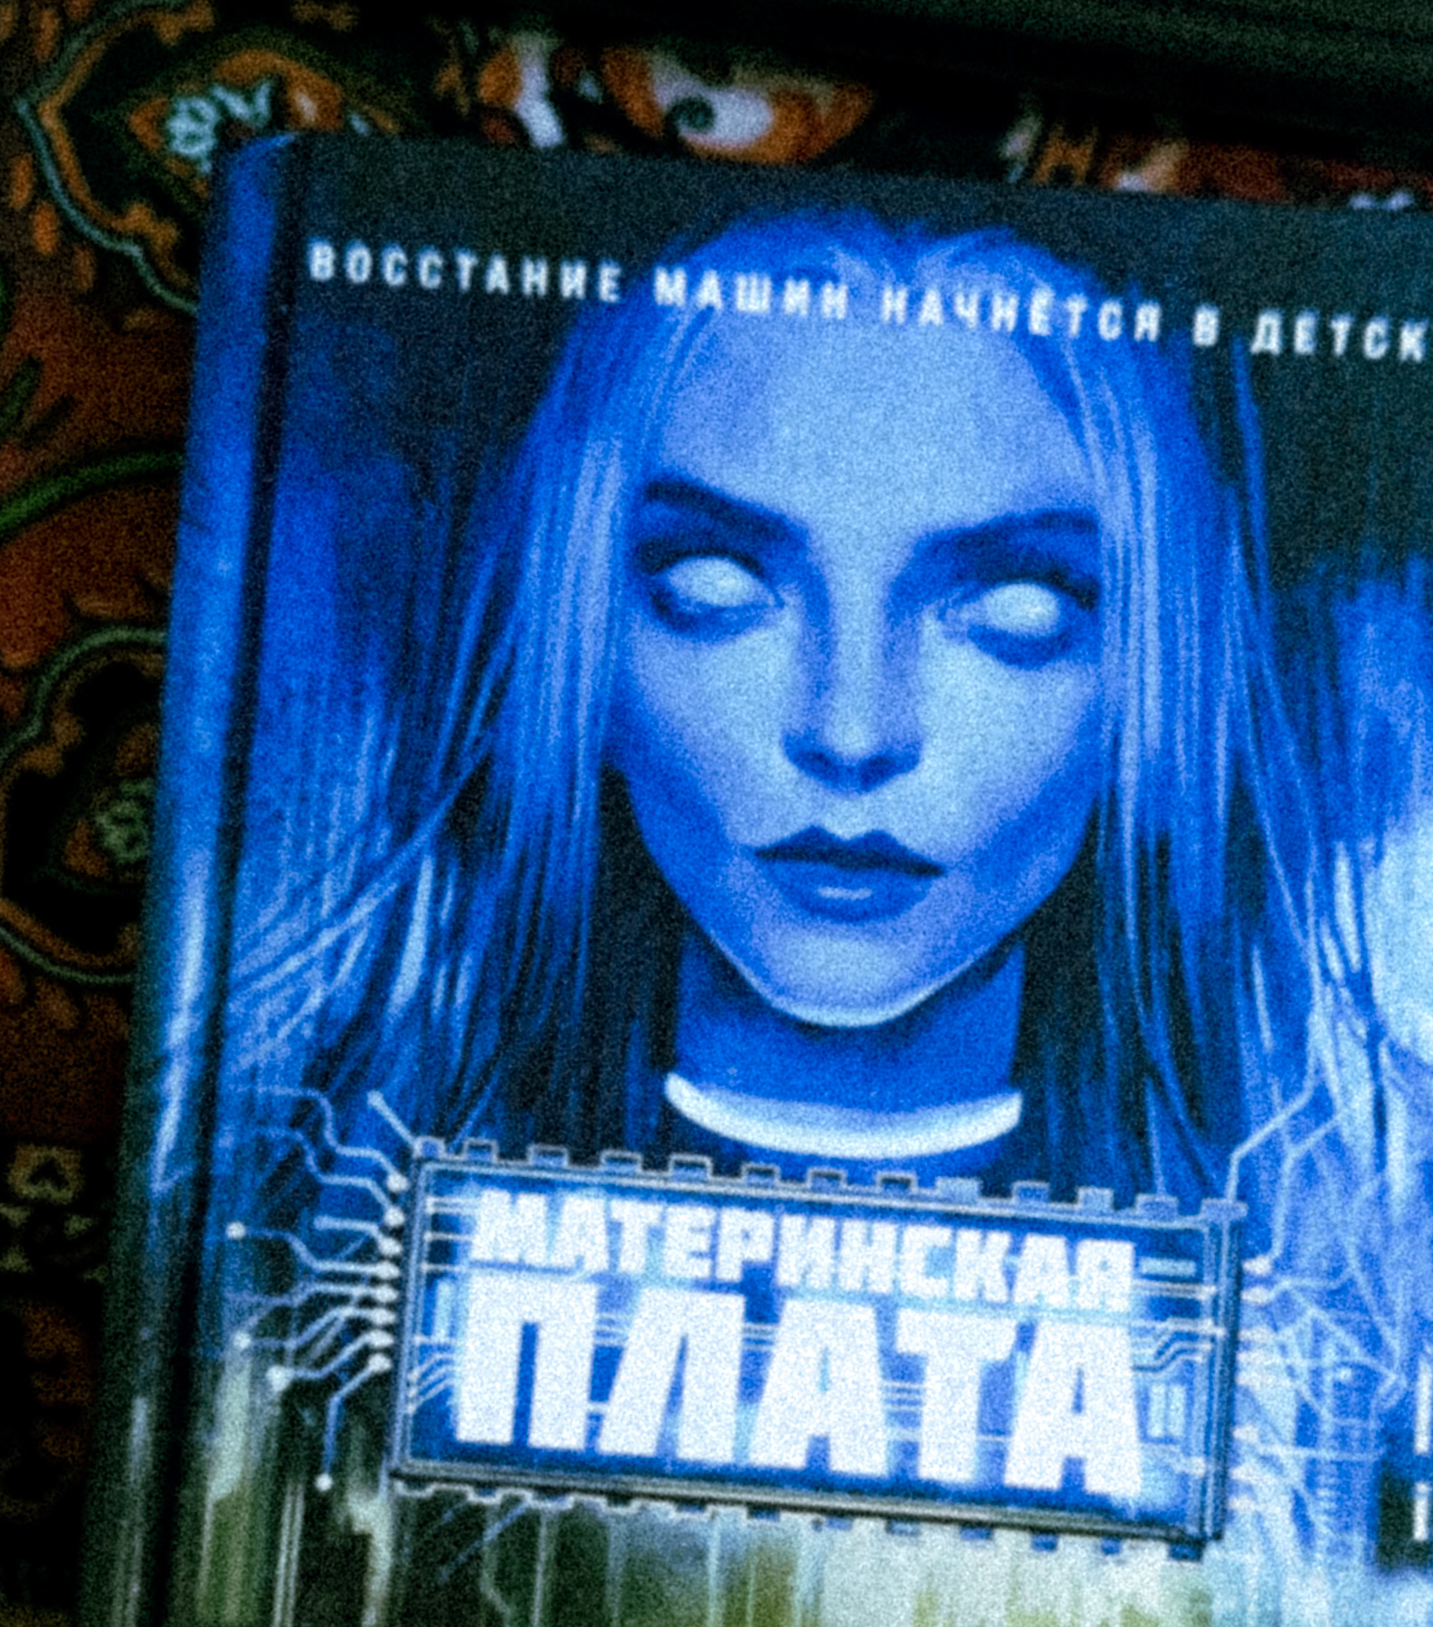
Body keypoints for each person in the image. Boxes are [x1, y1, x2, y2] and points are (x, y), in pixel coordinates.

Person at [313, 204, 1341, 1206]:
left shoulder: (1331, 1247)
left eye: (1015, 611)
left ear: (1152, 691)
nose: (851, 733)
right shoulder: (337, 1202)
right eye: (713, 588)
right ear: (578, 652)